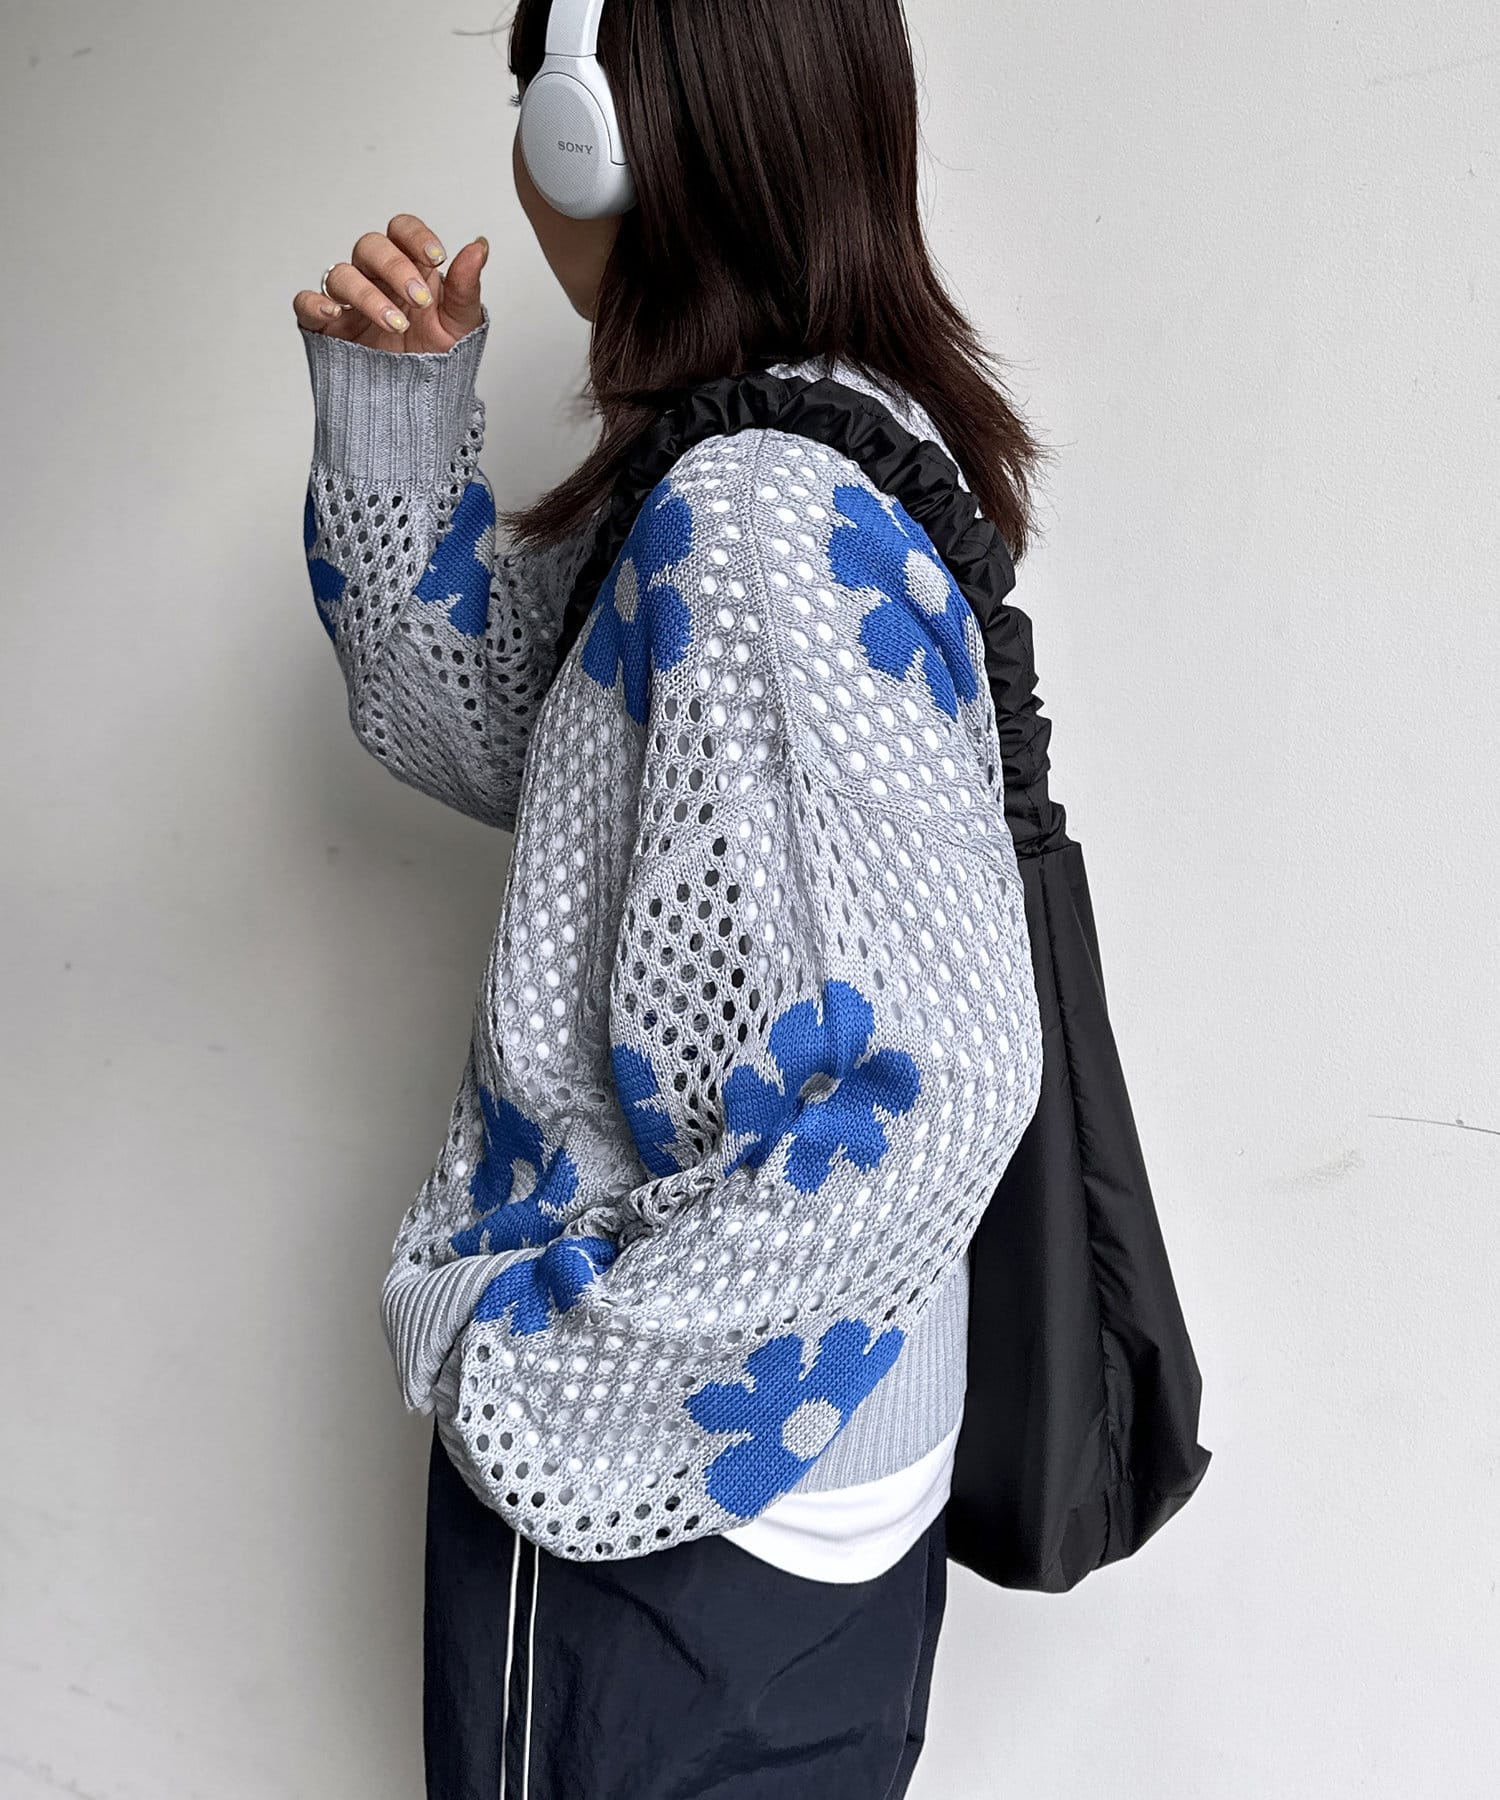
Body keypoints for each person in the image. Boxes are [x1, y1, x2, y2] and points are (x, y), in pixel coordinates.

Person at [293, 1, 1046, 1793]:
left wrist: (545, 1388)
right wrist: (400, 418)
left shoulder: (752, 510)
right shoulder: (812, 440)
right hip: (791, 1464)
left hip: (685, 1493)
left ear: (597, 131)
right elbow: (509, 737)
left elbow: (934, 1080)